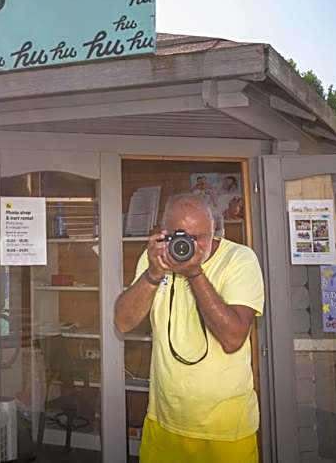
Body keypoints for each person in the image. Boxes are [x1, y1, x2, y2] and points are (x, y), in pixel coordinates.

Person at [113, 194, 265, 463]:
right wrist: (153, 274)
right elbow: (123, 322)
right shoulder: (155, 260)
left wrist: (195, 273)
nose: (190, 245)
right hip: (164, 419)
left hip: (225, 429)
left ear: (215, 231)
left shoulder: (240, 259)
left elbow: (233, 338)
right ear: (163, 233)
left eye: (200, 237)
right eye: (181, 236)